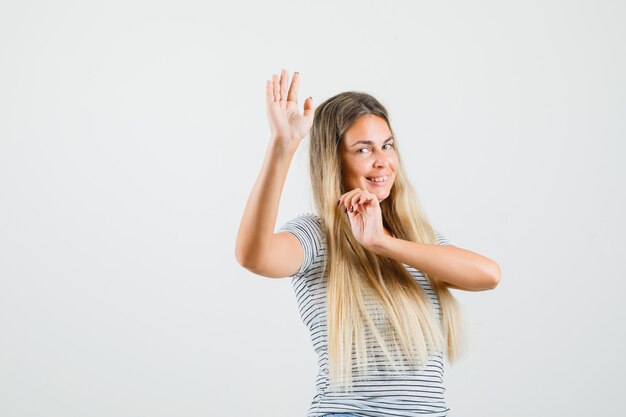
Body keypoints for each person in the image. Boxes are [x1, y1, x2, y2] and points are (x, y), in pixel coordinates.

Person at [235, 68, 501, 417]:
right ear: (335, 161)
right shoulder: (317, 236)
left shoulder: (417, 239)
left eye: (387, 146)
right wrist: (281, 149)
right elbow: (254, 256)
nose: (383, 162)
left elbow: (488, 275)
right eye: (363, 150)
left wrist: (383, 242)